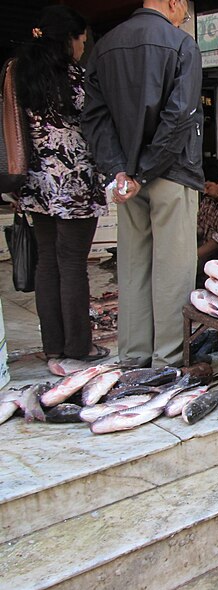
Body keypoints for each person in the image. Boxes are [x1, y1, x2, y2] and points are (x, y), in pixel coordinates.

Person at [82, 0, 204, 368]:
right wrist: (145, 171)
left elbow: (95, 120)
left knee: (134, 266)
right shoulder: (182, 45)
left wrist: (120, 172)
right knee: (173, 270)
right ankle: (167, 362)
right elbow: (180, 115)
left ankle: (133, 358)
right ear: (173, 3)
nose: (184, 17)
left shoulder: (103, 48)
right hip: (170, 172)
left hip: (127, 180)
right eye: (185, 10)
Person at [14, 6, 108, 361]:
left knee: (47, 264)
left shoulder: (21, 75)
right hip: (73, 184)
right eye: (82, 40)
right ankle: (78, 348)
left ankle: (52, 346)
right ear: (69, 39)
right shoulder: (73, 78)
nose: (83, 47)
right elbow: (95, 123)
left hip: (35, 183)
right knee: (72, 264)